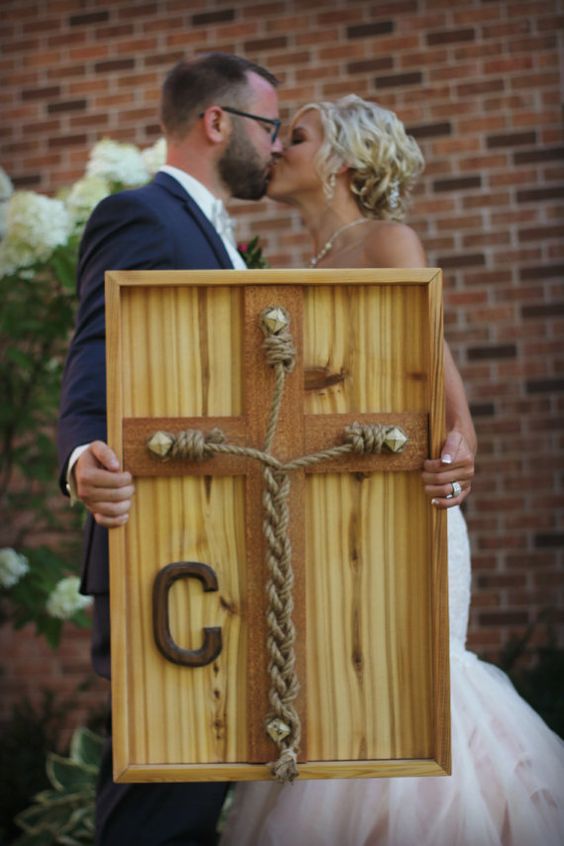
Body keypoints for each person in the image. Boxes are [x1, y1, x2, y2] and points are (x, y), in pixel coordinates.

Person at [219, 96, 564, 845]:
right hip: (324, 511)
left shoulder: (387, 241)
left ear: (342, 161)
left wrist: (459, 449)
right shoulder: (290, 268)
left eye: (296, 138)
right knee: (334, 685)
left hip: (400, 504)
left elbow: (430, 371)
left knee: (405, 684)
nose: (275, 150)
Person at [57, 52, 283, 846]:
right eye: (271, 127)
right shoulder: (142, 215)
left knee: (186, 794)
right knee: (164, 796)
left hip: (213, 548)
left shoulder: (214, 234)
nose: (278, 146)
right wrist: (84, 456)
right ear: (216, 122)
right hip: (163, 552)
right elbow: (96, 351)